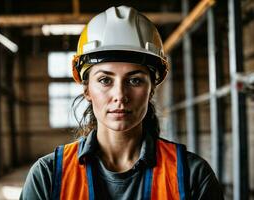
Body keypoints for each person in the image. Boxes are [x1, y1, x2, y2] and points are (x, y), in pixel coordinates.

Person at [20, 5, 224, 200]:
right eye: (105, 80)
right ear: (86, 89)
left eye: (135, 80)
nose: (120, 95)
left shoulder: (191, 177)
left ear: (152, 88)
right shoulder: (48, 177)